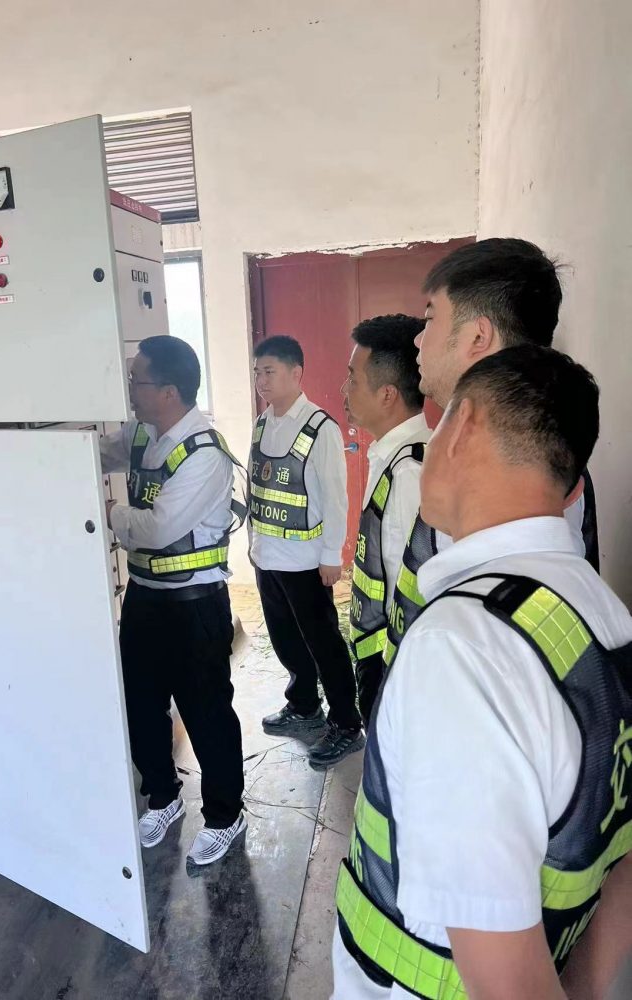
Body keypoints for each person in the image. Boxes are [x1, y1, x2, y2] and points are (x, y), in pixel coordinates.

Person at [333, 345, 632, 999]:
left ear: (461, 425)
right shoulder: (603, 615)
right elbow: (621, 862)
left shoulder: (462, 648)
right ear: (572, 490)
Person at [381, 237, 600, 672]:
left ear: (478, 336)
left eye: (431, 319)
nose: (418, 340)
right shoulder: (537, 450)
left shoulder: (505, 473)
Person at [101, 336, 247, 868]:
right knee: (142, 704)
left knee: (206, 714)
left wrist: (109, 513)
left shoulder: (205, 455)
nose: (130, 390)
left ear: (167, 391)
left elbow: (157, 529)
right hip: (144, 599)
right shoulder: (143, 433)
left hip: (195, 607)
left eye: (137, 380)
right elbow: (99, 454)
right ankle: (162, 797)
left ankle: (226, 816)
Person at [250, 335, 363, 769]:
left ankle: (346, 723)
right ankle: (303, 705)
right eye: (258, 372)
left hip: (305, 562)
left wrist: (332, 555)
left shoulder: (320, 428)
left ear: (296, 373)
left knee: (323, 643)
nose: (262, 380)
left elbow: (335, 497)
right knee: (284, 638)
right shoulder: (264, 423)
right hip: (268, 556)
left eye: (270, 371)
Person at [343, 315, 430, 728]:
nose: (344, 391)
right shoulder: (389, 456)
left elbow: (417, 589)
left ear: (387, 395)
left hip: (397, 664)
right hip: (377, 652)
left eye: (353, 379)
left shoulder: (411, 473)